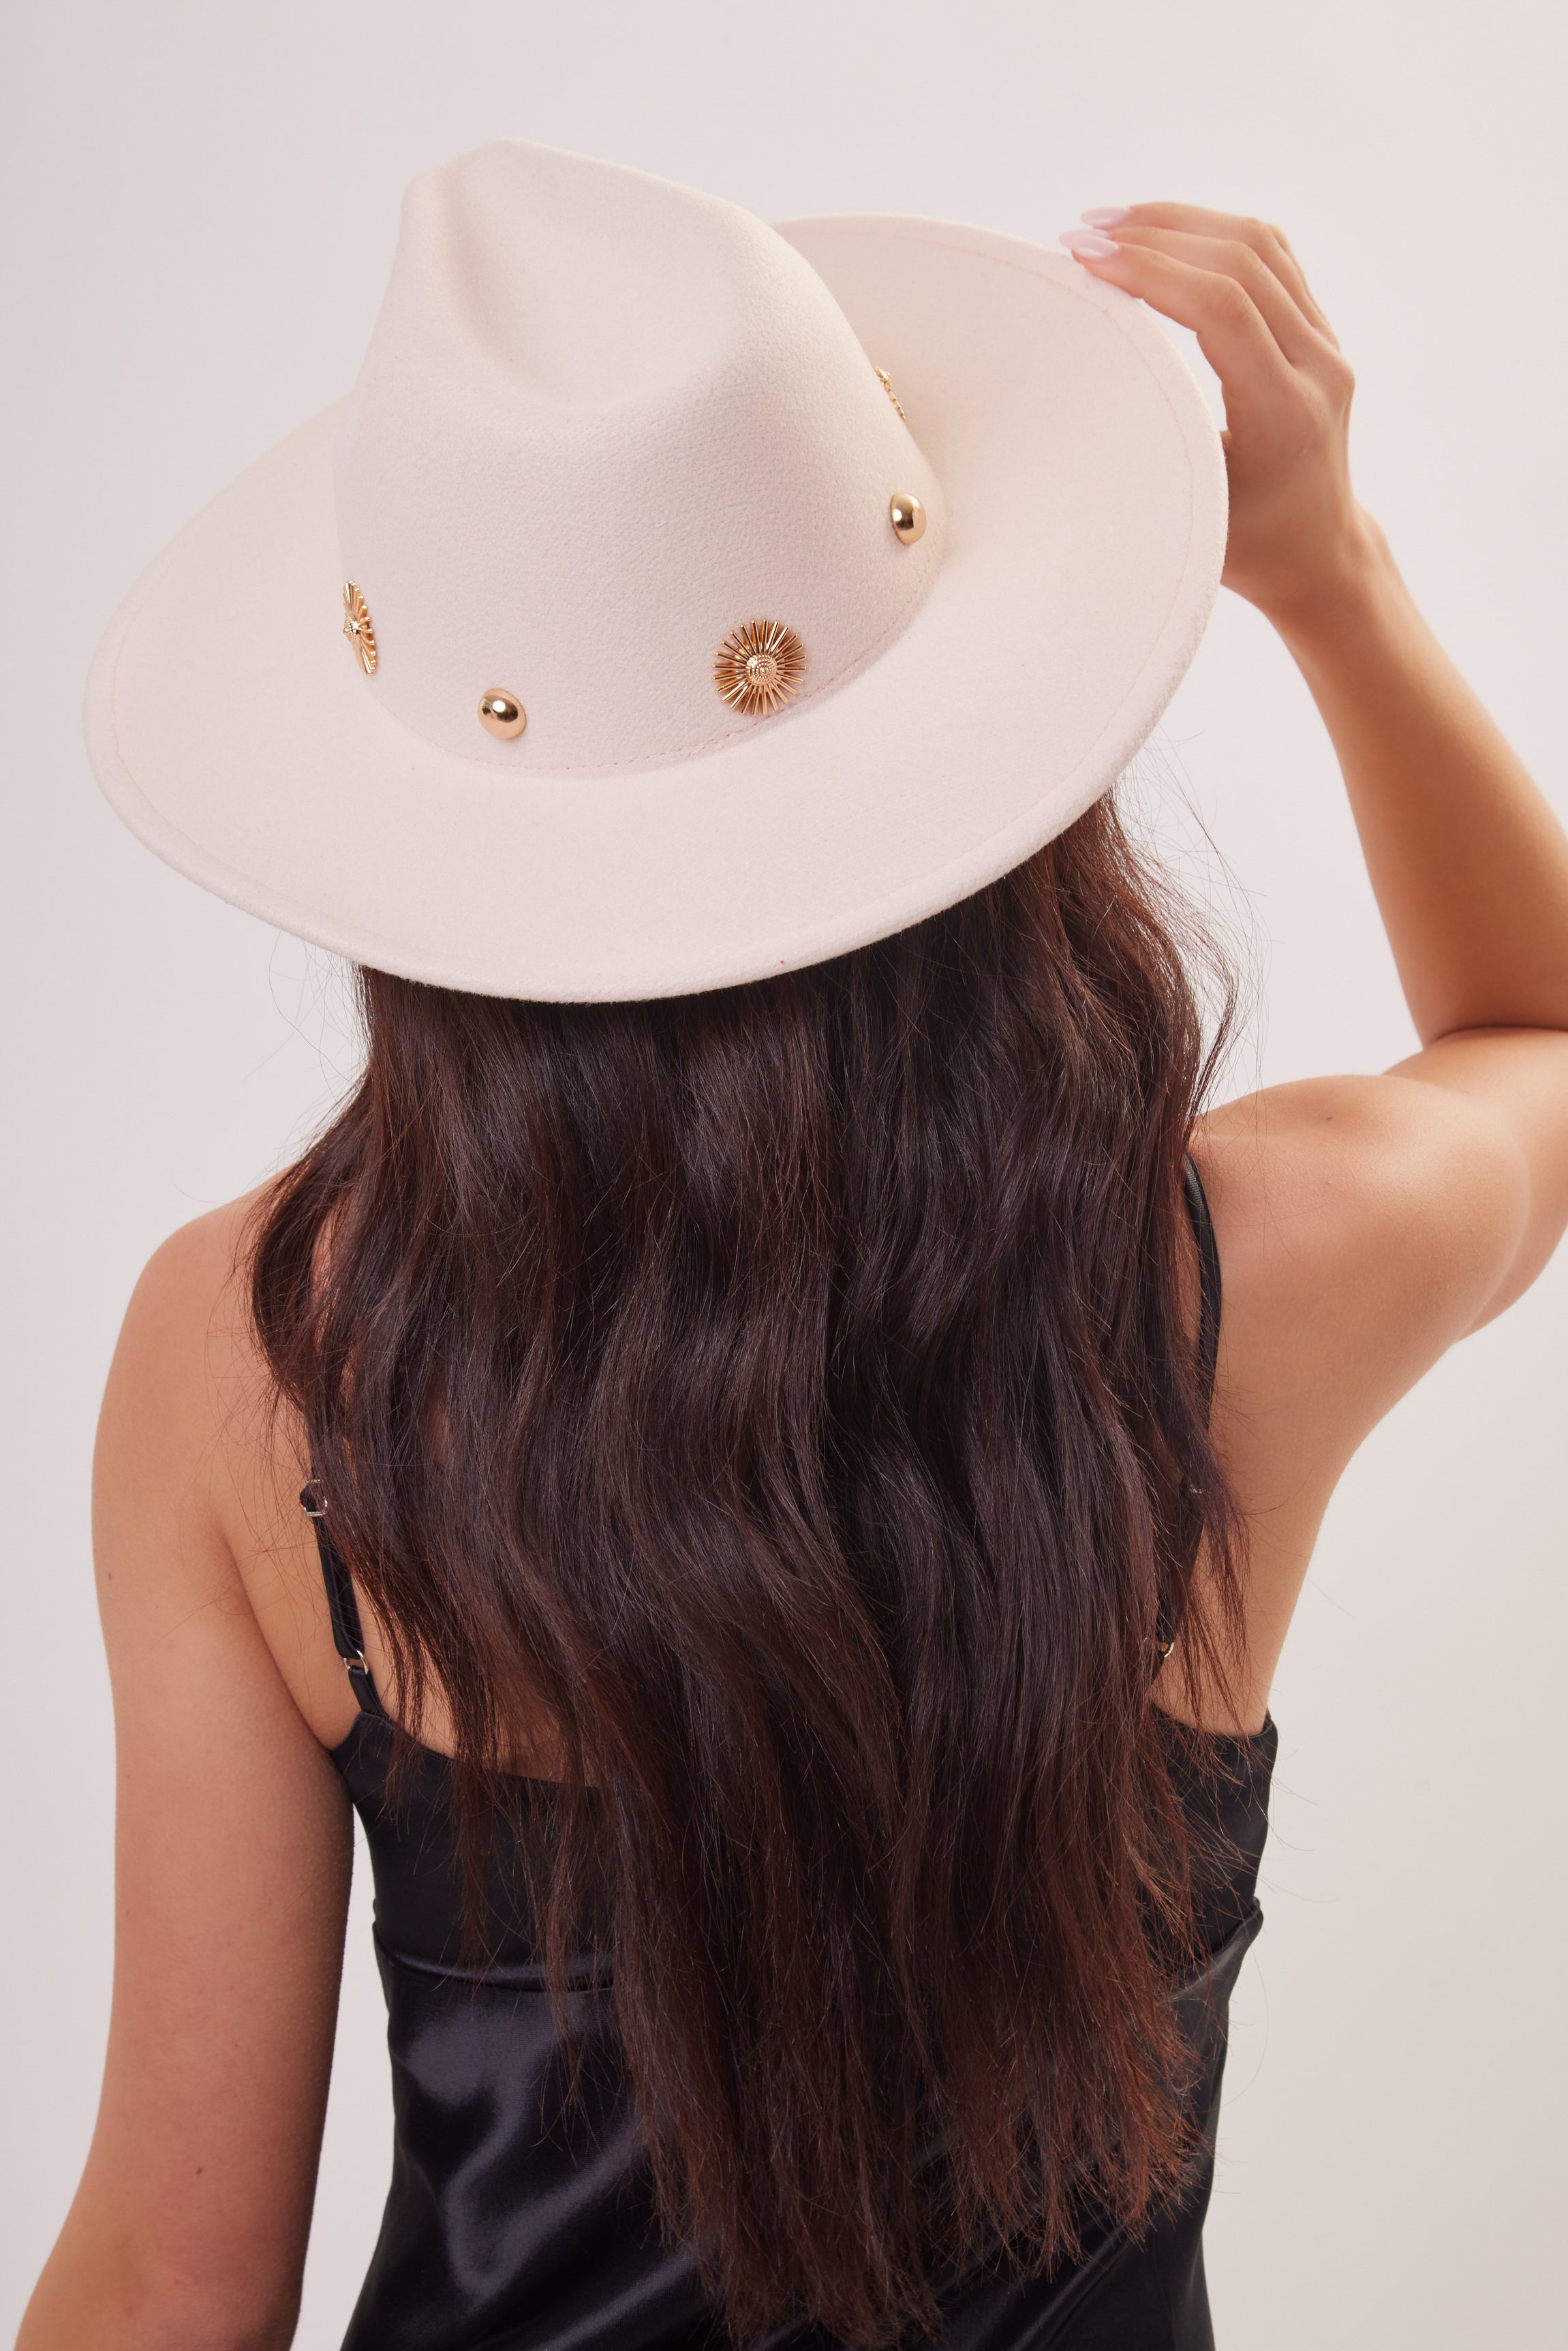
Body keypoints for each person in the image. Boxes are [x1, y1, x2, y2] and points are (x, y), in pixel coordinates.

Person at [18, 146, 1568, 2351]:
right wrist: (1332, 571)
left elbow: (175, 2285)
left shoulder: (259, 1365)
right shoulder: (1243, 1280)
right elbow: (1540, 1033)